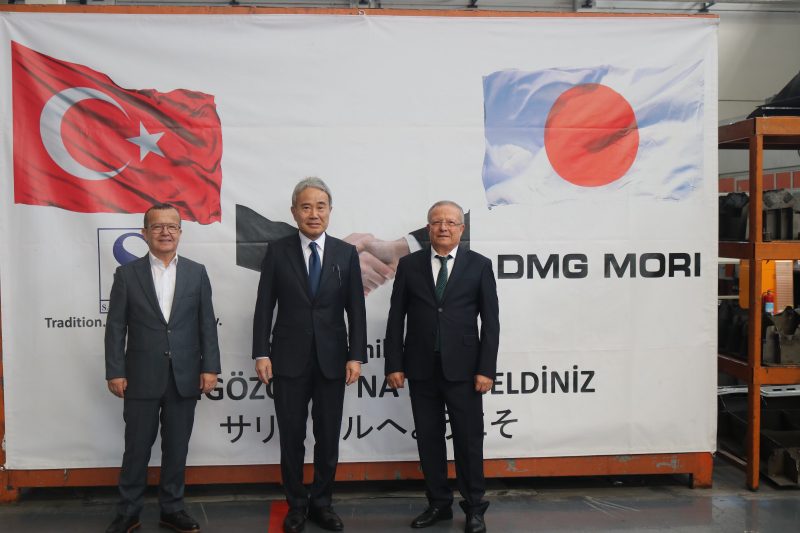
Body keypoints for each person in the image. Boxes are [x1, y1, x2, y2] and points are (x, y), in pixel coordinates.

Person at [252, 177, 367, 533]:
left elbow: (356, 309)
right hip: (287, 359)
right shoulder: (278, 251)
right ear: (294, 212)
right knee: (291, 436)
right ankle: (296, 505)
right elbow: (264, 306)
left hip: (333, 359)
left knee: (328, 435)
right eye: (306, 207)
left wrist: (356, 355)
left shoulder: (345, 253)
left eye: (320, 206)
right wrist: (261, 352)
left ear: (330, 211)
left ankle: (322, 503)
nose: (313, 214)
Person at [104, 203, 221, 533]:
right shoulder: (127, 275)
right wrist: (115, 370)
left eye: (172, 226)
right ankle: (128, 512)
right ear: (144, 233)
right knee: (136, 448)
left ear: (180, 232)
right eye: (157, 226)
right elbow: (116, 327)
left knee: (177, 448)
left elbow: (206, 324)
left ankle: (172, 509)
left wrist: (210, 367)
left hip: (185, 376)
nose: (165, 232)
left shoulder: (197, 272)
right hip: (140, 377)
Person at [385, 200, 499, 533]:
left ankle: (475, 507)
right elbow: (396, 318)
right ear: (428, 228)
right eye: (437, 222)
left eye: (450, 222)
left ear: (461, 229)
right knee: (429, 440)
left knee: (468, 440)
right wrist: (394, 363)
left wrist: (486, 369)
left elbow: (491, 322)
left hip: (465, 371)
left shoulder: (479, 265)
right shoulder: (409, 265)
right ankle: (438, 503)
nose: (444, 227)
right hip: (421, 368)